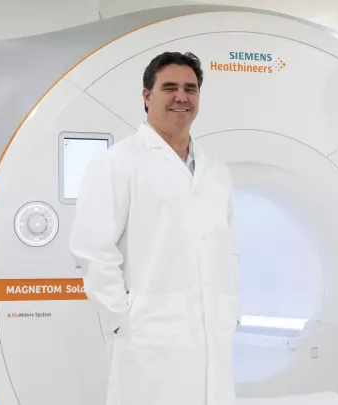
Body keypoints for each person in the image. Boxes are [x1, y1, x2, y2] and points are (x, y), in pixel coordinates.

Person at [70, 51, 240, 405]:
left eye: (191, 89)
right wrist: (120, 318)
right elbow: (92, 250)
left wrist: (228, 309)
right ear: (147, 96)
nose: (182, 96)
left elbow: (228, 249)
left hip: (211, 331)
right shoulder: (117, 163)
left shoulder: (216, 170)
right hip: (147, 333)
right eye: (170, 87)